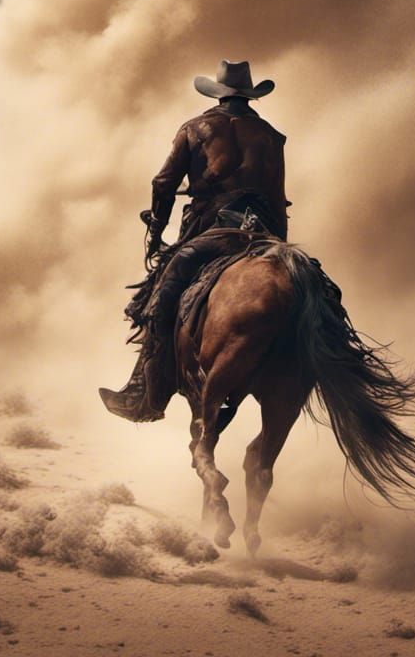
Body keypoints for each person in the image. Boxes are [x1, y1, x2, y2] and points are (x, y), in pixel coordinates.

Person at [99, 60, 289, 422]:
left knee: (159, 299)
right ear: (249, 96)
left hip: (212, 233)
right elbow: (278, 199)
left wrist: (156, 231)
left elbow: (162, 184)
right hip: (266, 236)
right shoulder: (272, 137)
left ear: (218, 94)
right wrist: (277, 249)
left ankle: (145, 394)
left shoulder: (196, 129)